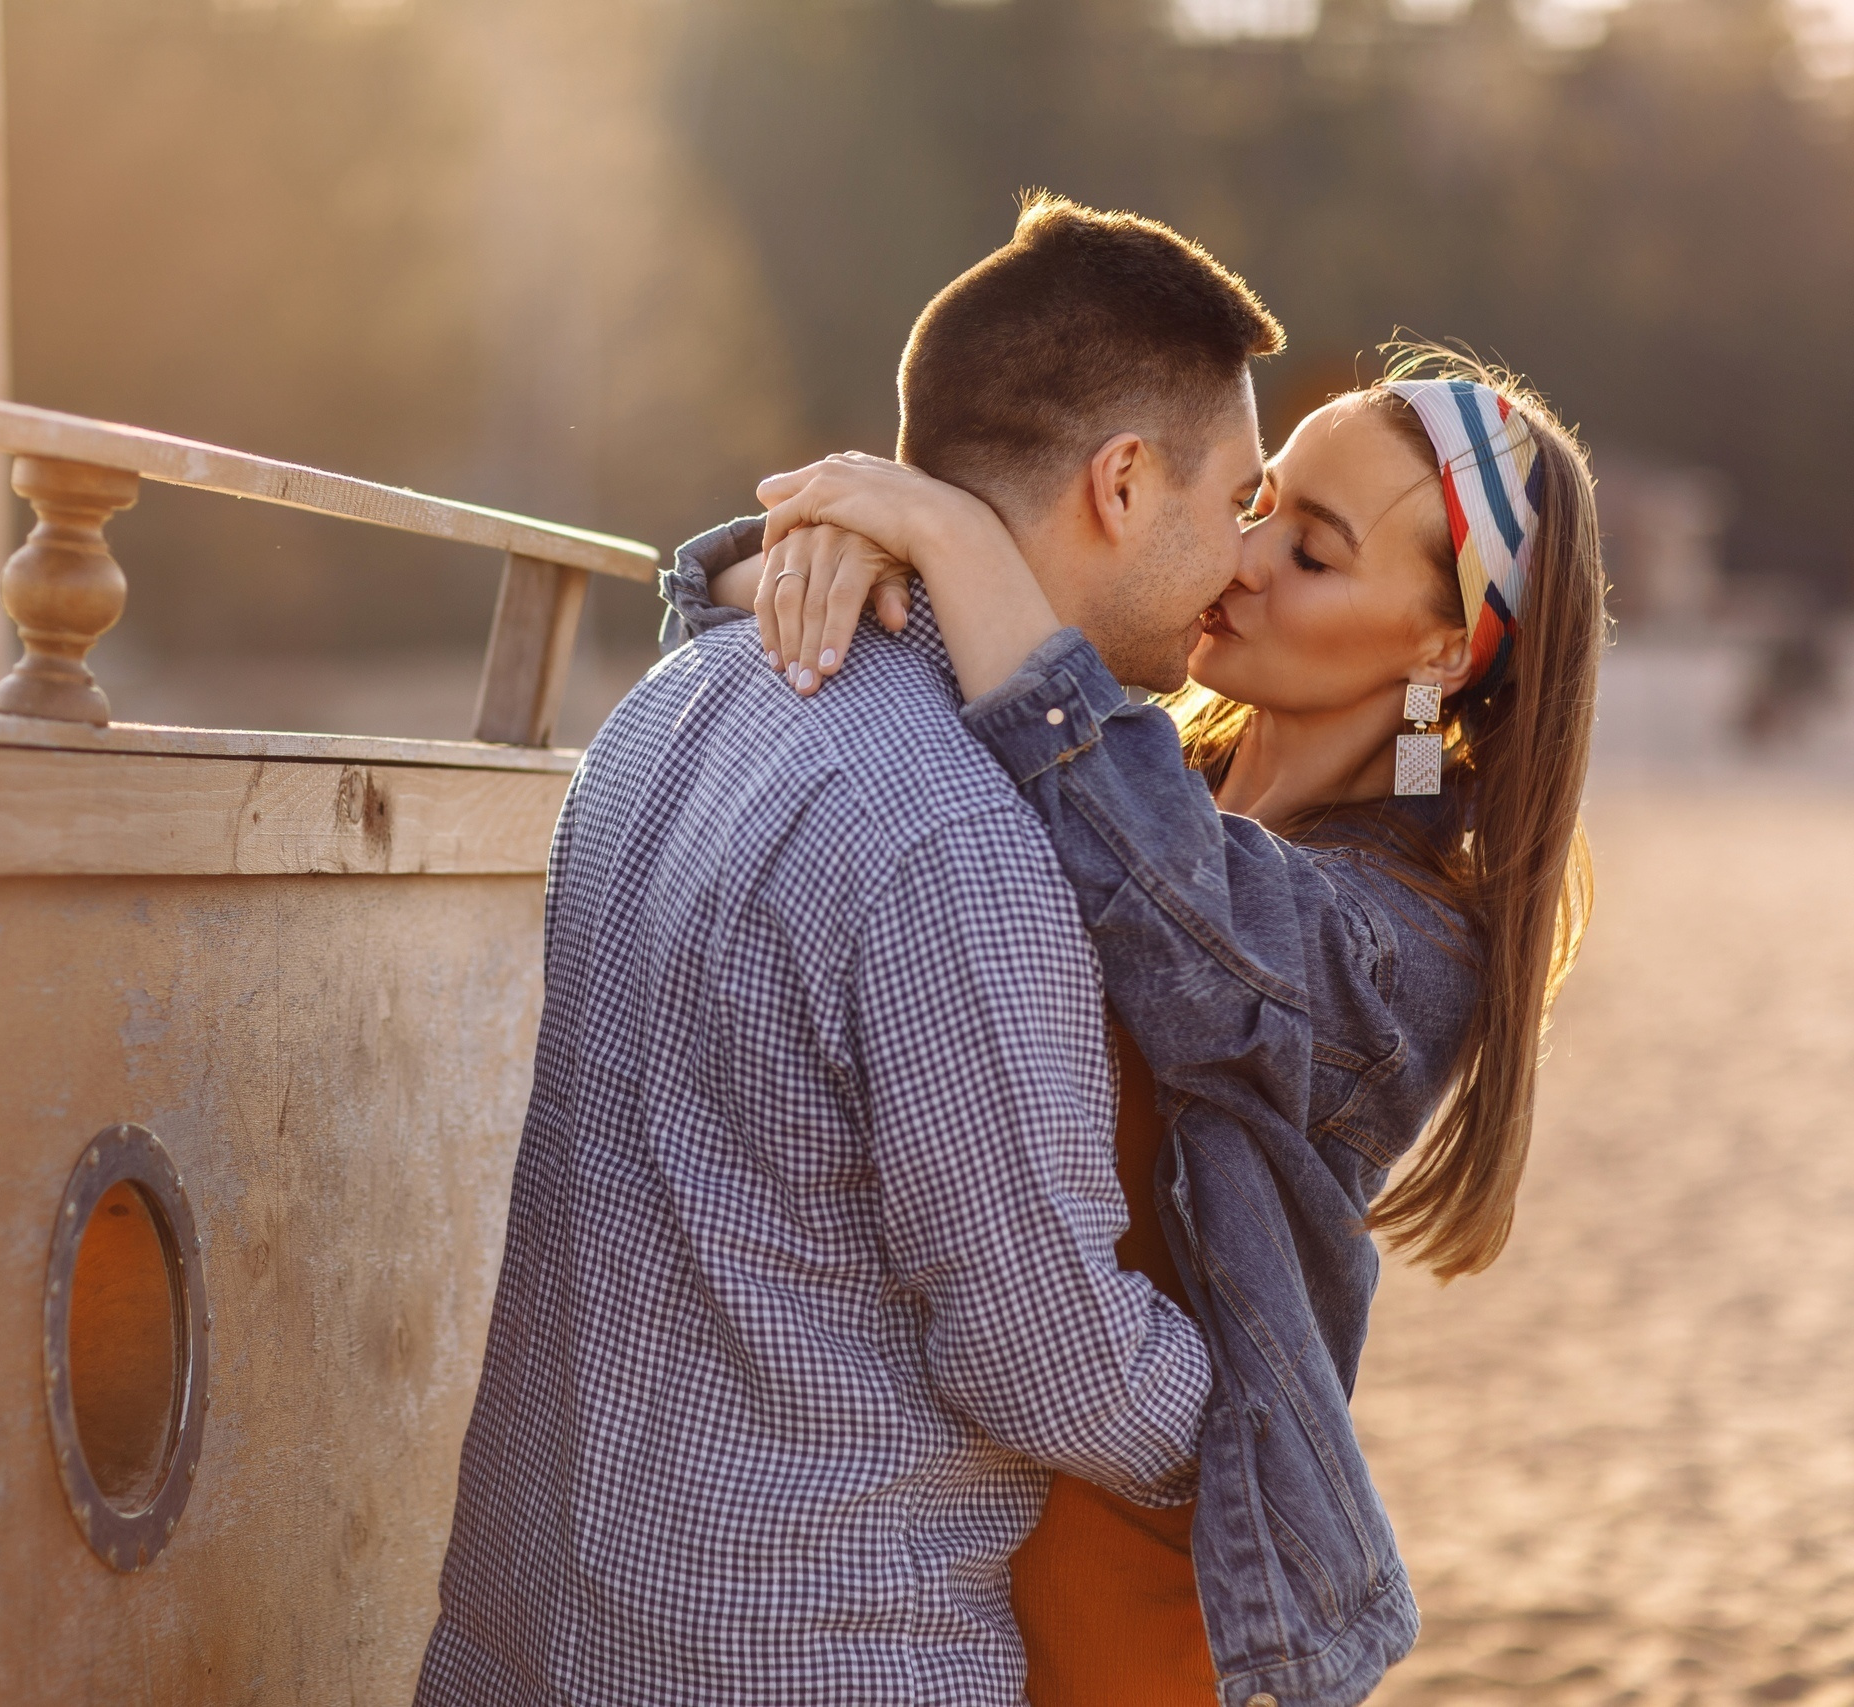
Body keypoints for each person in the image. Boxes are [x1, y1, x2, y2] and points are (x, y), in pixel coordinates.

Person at [414, 199, 1279, 1705]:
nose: (1248, 556)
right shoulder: (966, 845)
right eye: (1241, 497)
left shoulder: (676, 706)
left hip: (529, 1632)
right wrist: (1279, 1440)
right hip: (814, 1655)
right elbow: (1050, 1360)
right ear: (1125, 485)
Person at [670, 341, 1606, 1703]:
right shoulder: (1145, 749)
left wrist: (945, 528)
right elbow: (786, 682)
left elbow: (1183, 920)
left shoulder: (1405, 943)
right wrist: (821, 569)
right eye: (1261, 499)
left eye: (1317, 553)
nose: (1241, 559)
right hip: (931, 1512)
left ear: (1443, 650)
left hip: (1145, 1557)